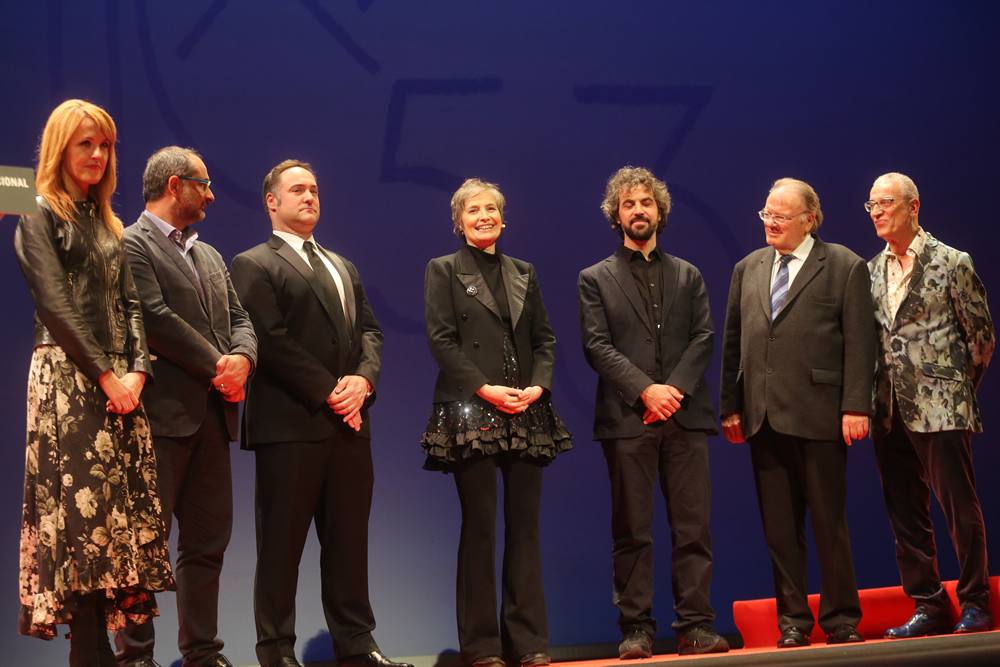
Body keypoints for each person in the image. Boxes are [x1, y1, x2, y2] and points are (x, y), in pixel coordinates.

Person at [230, 159, 411, 667]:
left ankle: (358, 645)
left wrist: (363, 380)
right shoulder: (253, 263)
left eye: (313, 189)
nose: (309, 197)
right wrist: (332, 390)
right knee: (281, 550)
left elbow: (370, 332)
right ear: (272, 201)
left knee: (349, 544)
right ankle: (276, 652)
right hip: (290, 427)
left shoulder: (342, 264)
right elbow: (271, 339)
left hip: (350, 426)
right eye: (297, 190)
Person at [13, 99, 173, 666]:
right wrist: (106, 375)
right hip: (69, 376)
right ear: (61, 148)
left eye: (105, 146)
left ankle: (99, 651)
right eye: (86, 144)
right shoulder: (38, 210)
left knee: (116, 517)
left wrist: (136, 370)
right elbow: (56, 305)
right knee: (79, 517)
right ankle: (88, 652)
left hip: (119, 382)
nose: (98, 155)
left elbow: (130, 304)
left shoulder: (106, 221)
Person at [114, 146, 258, 667]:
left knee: (207, 542)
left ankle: (202, 652)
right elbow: (153, 316)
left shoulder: (210, 255)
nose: (212, 194)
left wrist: (242, 358)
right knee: (143, 543)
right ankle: (135, 657)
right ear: (175, 185)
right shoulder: (130, 244)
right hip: (159, 417)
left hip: (212, 421)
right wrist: (220, 366)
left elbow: (240, 318)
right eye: (204, 183)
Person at [577, 166, 728, 658]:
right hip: (628, 419)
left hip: (684, 417)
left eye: (645, 202)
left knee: (693, 527)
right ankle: (637, 628)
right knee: (632, 530)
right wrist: (647, 391)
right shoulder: (595, 279)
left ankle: (696, 625)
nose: (638, 210)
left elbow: (704, 337)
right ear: (615, 215)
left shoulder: (688, 274)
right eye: (628, 204)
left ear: (659, 210)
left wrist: (674, 391)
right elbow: (597, 346)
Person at [421, 178, 572, 667]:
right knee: (480, 528)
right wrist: (484, 387)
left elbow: (545, 339)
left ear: (503, 220)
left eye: (491, 209)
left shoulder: (523, 271)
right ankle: (482, 646)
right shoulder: (443, 269)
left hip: (526, 410)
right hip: (473, 410)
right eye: (473, 210)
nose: (483, 216)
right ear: (458, 221)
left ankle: (528, 642)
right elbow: (442, 340)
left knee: (525, 529)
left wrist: (539, 385)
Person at [719, 177, 876, 648]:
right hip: (762, 416)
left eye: (781, 216)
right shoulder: (748, 268)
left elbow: (860, 344)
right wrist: (730, 406)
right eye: (766, 214)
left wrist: (854, 405)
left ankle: (842, 618)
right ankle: (792, 621)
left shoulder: (844, 265)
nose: (771, 222)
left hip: (820, 413)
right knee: (780, 530)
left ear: (810, 219)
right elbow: (733, 344)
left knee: (829, 522)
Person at [865, 172, 994, 637]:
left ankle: (975, 601)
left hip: (942, 404)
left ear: (913, 206)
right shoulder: (870, 270)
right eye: (872, 205)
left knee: (958, 506)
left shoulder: (951, 261)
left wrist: (956, 388)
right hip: (889, 409)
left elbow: (981, 338)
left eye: (887, 203)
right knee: (905, 512)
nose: (878, 212)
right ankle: (929, 603)